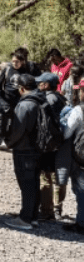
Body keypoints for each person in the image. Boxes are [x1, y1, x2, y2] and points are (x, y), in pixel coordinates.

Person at [4, 74, 44, 231]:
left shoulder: (25, 105)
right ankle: (33, 216)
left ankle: (25, 219)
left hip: (24, 149)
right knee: (34, 183)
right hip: (38, 148)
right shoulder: (42, 100)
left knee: (26, 185)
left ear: (22, 89)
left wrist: (8, 143)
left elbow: (17, 130)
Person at [35, 73, 68, 221]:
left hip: (48, 145)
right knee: (58, 178)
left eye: (40, 83)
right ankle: (57, 208)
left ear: (46, 85)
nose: (38, 85)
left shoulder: (47, 100)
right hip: (60, 143)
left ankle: (47, 211)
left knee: (45, 177)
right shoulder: (60, 98)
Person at [62, 80, 84, 234]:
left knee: (81, 191)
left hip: (81, 159)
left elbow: (66, 133)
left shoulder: (79, 110)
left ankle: (81, 224)